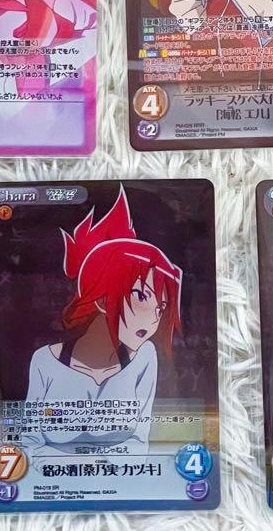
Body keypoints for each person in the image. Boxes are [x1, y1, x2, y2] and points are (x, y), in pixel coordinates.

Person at [22, 187, 182, 455]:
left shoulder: (145, 357)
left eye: (161, 308)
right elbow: (28, 444)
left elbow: (139, 442)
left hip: (126, 478)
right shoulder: (44, 362)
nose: (153, 318)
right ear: (101, 299)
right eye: (141, 296)